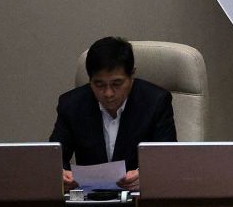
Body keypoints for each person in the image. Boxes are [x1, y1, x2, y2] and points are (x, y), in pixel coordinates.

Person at [50, 37, 177, 190]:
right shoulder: (71, 105)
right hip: (91, 200)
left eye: (117, 84)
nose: (108, 93)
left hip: (137, 199)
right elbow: (53, 157)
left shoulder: (156, 102)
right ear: (90, 80)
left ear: (132, 75)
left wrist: (148, 176)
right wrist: (60, 174)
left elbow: (167, 160)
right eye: (99, 84)